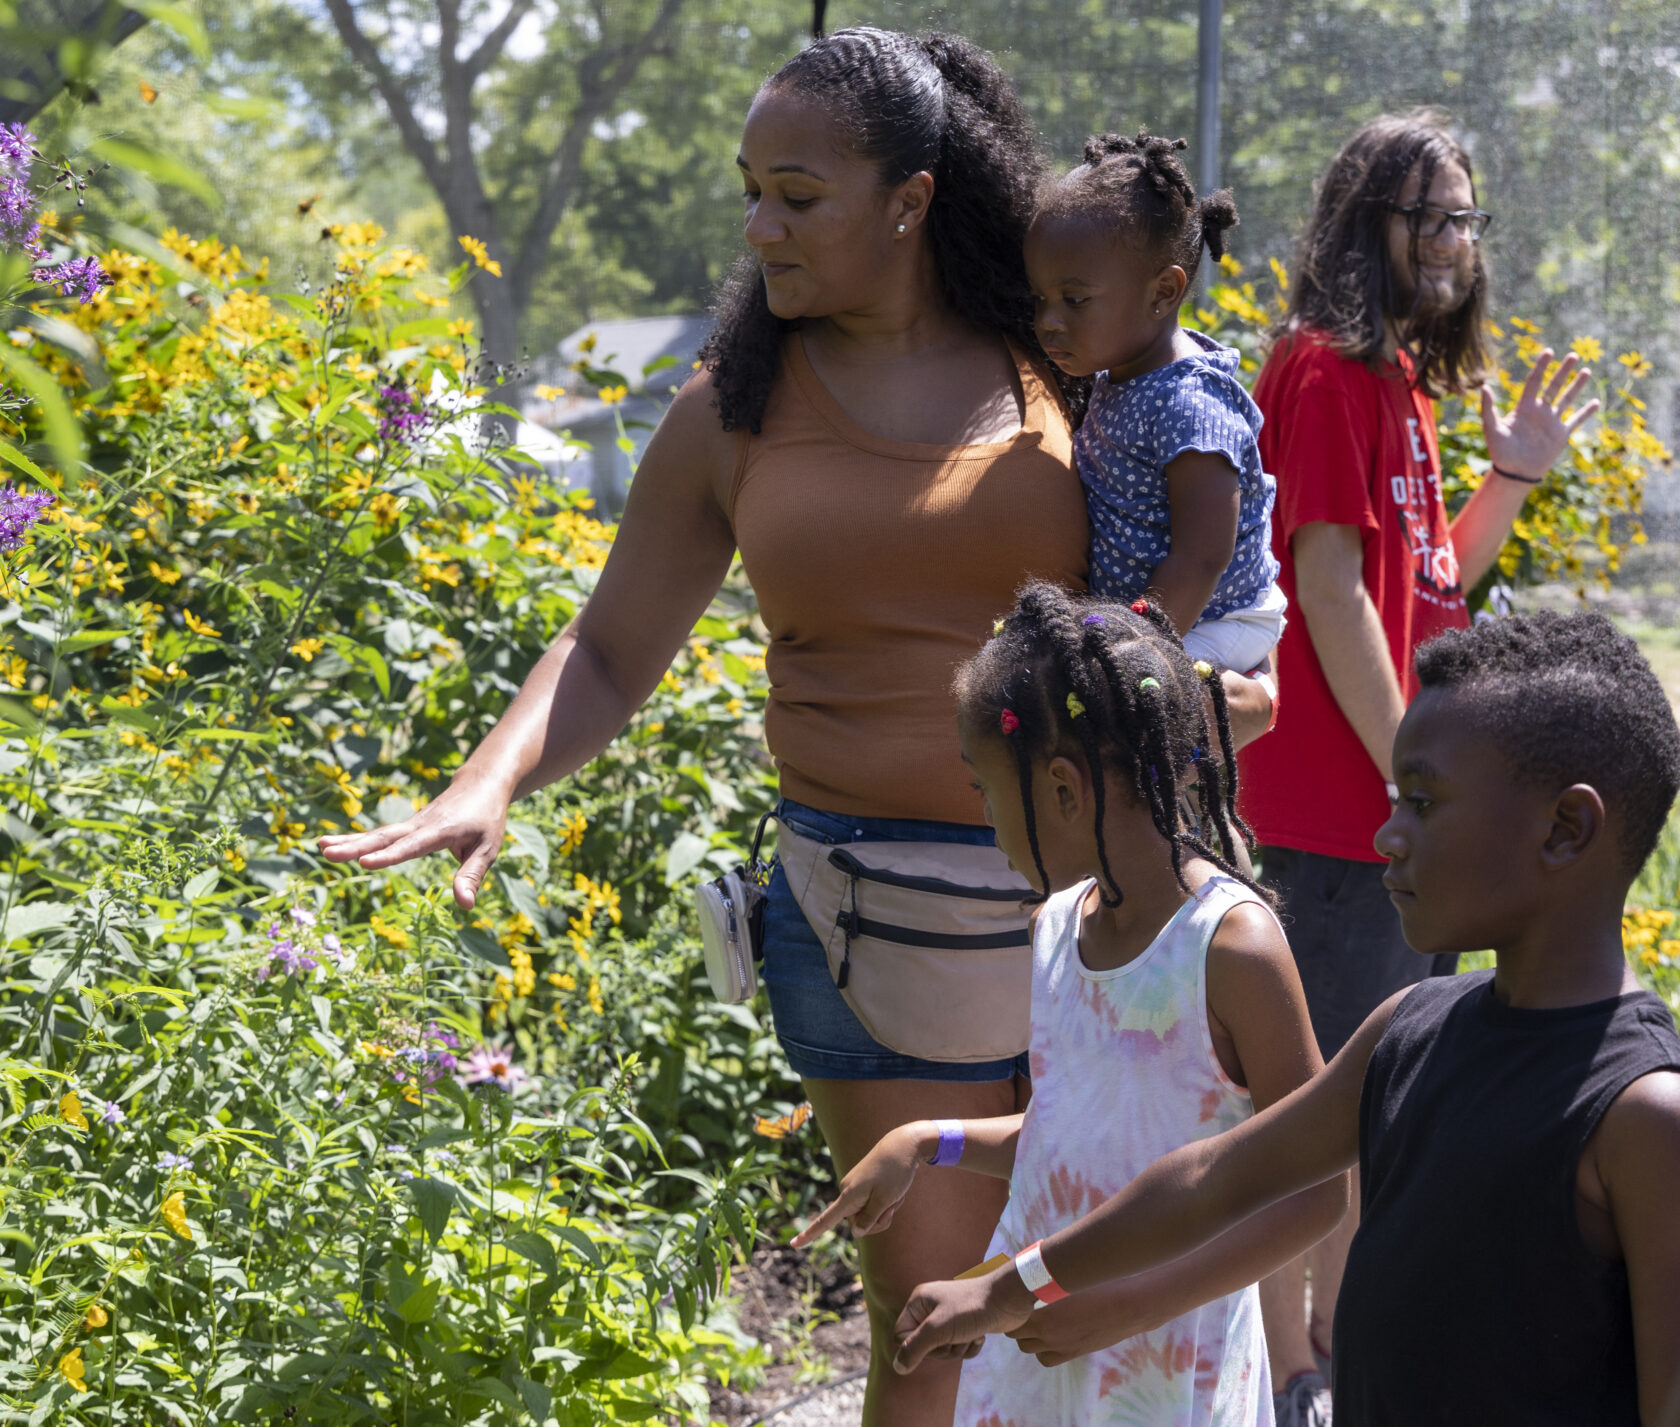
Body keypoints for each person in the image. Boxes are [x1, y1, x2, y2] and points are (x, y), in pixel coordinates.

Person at [321, 28, 1270, 1423]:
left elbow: (1207, 549)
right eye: (750, 189)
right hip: (875, 912)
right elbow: (606, 640)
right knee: (935, 1322)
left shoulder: (1064, 364)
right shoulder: (737, 406)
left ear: (913, 198)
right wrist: (489, 780)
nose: (761, 225)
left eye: (798, 194)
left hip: (1107, 894)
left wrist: (1219, 688)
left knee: (1098, 1302)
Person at [888, 611, 1680, 1427]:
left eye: (1423, 801)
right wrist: (1005, 1286)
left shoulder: (1643, 1118)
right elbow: (1210, 1178)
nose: (1387, 835)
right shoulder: (1406, 1031)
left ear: (1565, 828)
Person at [1236, 110, 1599, 1418]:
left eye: (1464, 221)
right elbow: (1328, 589)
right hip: (1335, 821)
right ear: (1364, 221)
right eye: (1430, 217)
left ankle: (1328, 1351)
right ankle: (1289, 1374)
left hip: (1384, 818)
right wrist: (1416, 777)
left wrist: (1507, 476)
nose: (1454, 244)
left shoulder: (1393, 383)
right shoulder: (1320, 372)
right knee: (1316, 1105)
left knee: (1372, 1103)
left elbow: (1425, 581)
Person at [792, 584, 1343, 1426]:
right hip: (1043, 1356)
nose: (984, 814)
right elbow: (1077, 1137)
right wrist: (925, 1142)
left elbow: (1314, 1191)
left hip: (1164, 1371)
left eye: (985, 787)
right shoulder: (1056, 926)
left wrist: (1134, 1304)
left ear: (1061, 788)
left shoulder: (1231, 947)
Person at [1027, 132, 1285, 671]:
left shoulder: (1188, 402)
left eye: (1075, 300)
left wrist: (1134, 646)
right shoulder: (1121, 373)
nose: (1048, 321)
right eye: (1041, 298)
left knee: (1127, 712)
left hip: (1215, 621)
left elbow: (1203, 553)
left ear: (1163, 293)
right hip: (1163, 618)